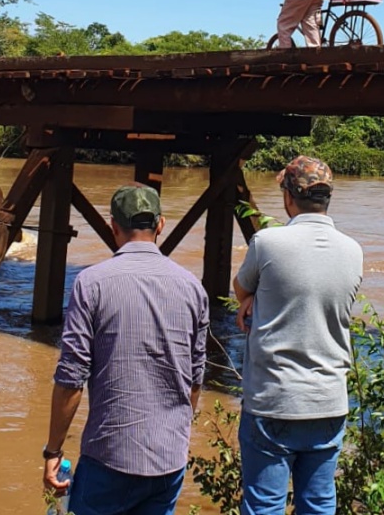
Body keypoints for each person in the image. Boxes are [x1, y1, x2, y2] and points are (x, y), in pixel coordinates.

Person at [43, 183, 210, 515]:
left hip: (110, 456)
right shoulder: (193, 288)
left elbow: (71, 379)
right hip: (168, 459)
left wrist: (53, 452)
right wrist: (174, 435)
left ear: (112, 226)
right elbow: (195, 379)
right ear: (160, 225)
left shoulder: (91, 283)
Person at [233, 156, 363, 515]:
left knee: (264, 507)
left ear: (289, 197)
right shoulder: (354, 251)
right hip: (328, 401)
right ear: (327, 199)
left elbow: (239, 290)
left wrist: (255, 299)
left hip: (274, 399)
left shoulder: (268, 242)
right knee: (319, 506)